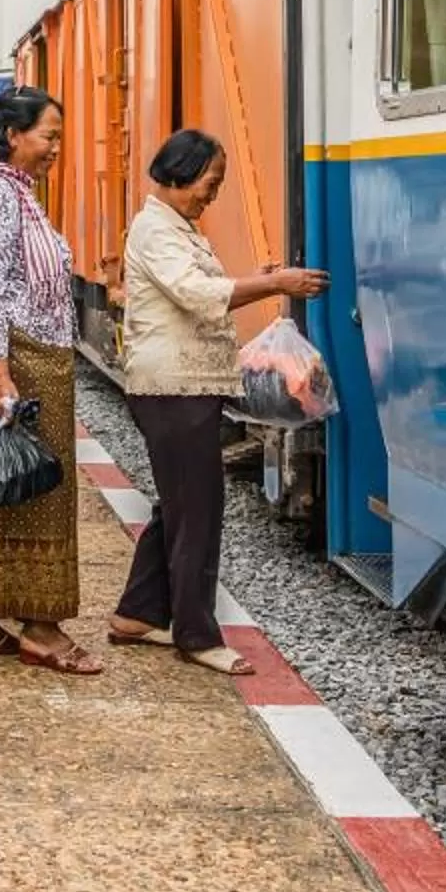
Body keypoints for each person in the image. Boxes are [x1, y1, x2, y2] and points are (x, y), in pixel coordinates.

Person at [108, 130, 328, 675]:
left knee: (181, 505)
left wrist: (259, 280)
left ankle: (137, 613)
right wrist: (275, 284)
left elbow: (208, 287)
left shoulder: (176, 227)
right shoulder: (156, 229)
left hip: (187, 384)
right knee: (199, 513)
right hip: (173, 388)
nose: (214, 194)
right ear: (181, 175)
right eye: (211, 182)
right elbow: (197, 293)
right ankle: (196, 634)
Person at [0, 86, 101, 675]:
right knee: (35, 493)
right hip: (19, 364)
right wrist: (1, 375)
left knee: (8, 490)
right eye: (50, 136)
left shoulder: (20, 195)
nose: (56, 148)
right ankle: (39, 629)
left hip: (33, 361)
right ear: (14, 135)